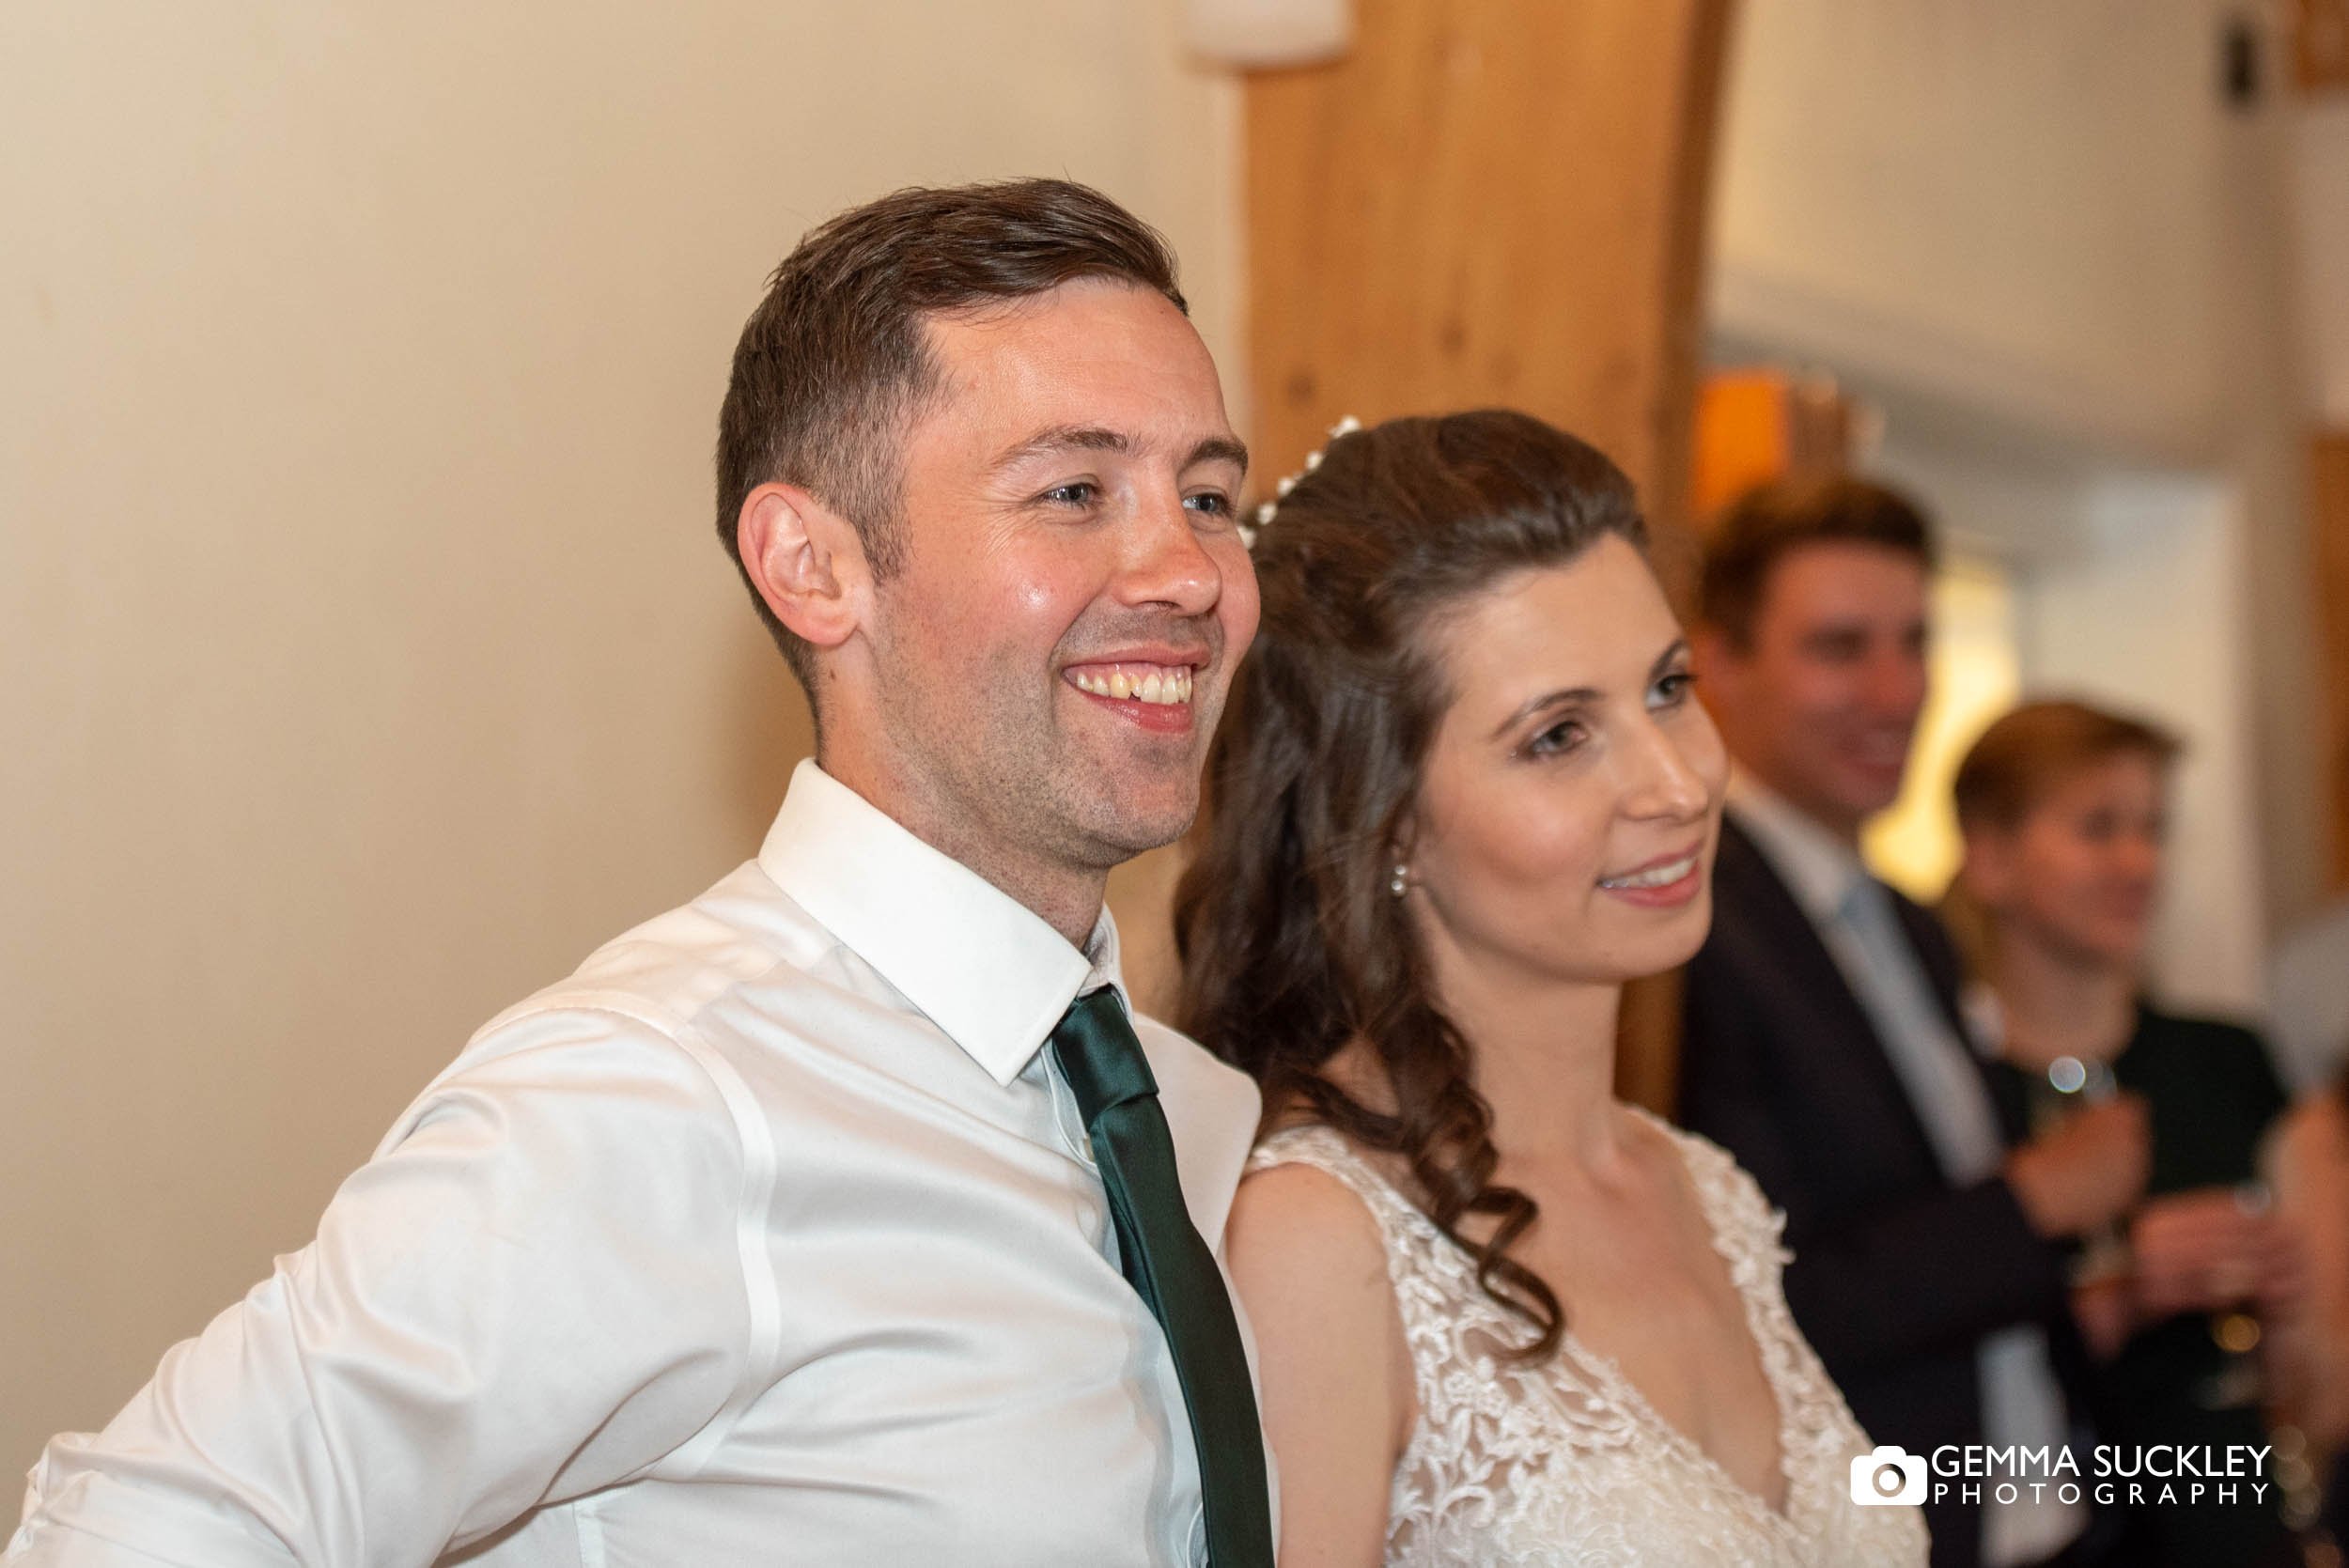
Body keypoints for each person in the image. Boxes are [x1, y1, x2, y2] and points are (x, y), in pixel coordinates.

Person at [8, 179, 1274, 1568]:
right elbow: (147, 1529)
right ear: (814, 566)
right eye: (1076, 490)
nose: (1190, 570)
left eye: (1209, 495)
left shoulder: (1174, 1109)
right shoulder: (659, 1098)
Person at [1173, 410, 1927, 1566]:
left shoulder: (1703, 1187)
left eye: (1668, 687)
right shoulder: (1317, 1238)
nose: (1677, 782)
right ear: (1383, 816)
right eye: (1559, 735)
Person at [1675, 475, 2150, 1568]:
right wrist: (2034, 1201)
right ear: (1724, 665)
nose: (1896, 692)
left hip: (2044, 1508)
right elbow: (1761, 1301)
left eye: (1915, 641)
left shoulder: (1908, 918)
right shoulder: (1698, 927)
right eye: (1841, 648)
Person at [1950, 698, 2300, 1568]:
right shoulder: (1956, 1096)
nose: (2139, 862)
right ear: (1990, 859)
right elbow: (1933, 1426)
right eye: (2099, 828)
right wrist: (2121, 1290)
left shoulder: (2225, 1060)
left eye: (2154, 828)